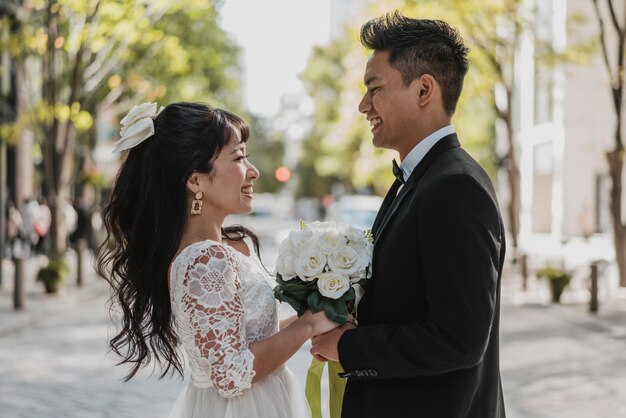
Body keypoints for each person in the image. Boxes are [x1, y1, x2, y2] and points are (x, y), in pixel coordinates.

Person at [311, 12, 506, 418]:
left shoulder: (456, 188)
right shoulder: (419, 179)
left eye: (375, 88)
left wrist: (348, 346)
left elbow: (459, 339)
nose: (364, 105)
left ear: (424, 90)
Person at [95, 102, 339, 418]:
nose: (253, 171)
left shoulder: (208, 250)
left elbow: (249, 336)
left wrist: (318, 313)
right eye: (238, 157)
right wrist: (308, 325)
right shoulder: (205, 258)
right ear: (195, 181)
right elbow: (230, 374)